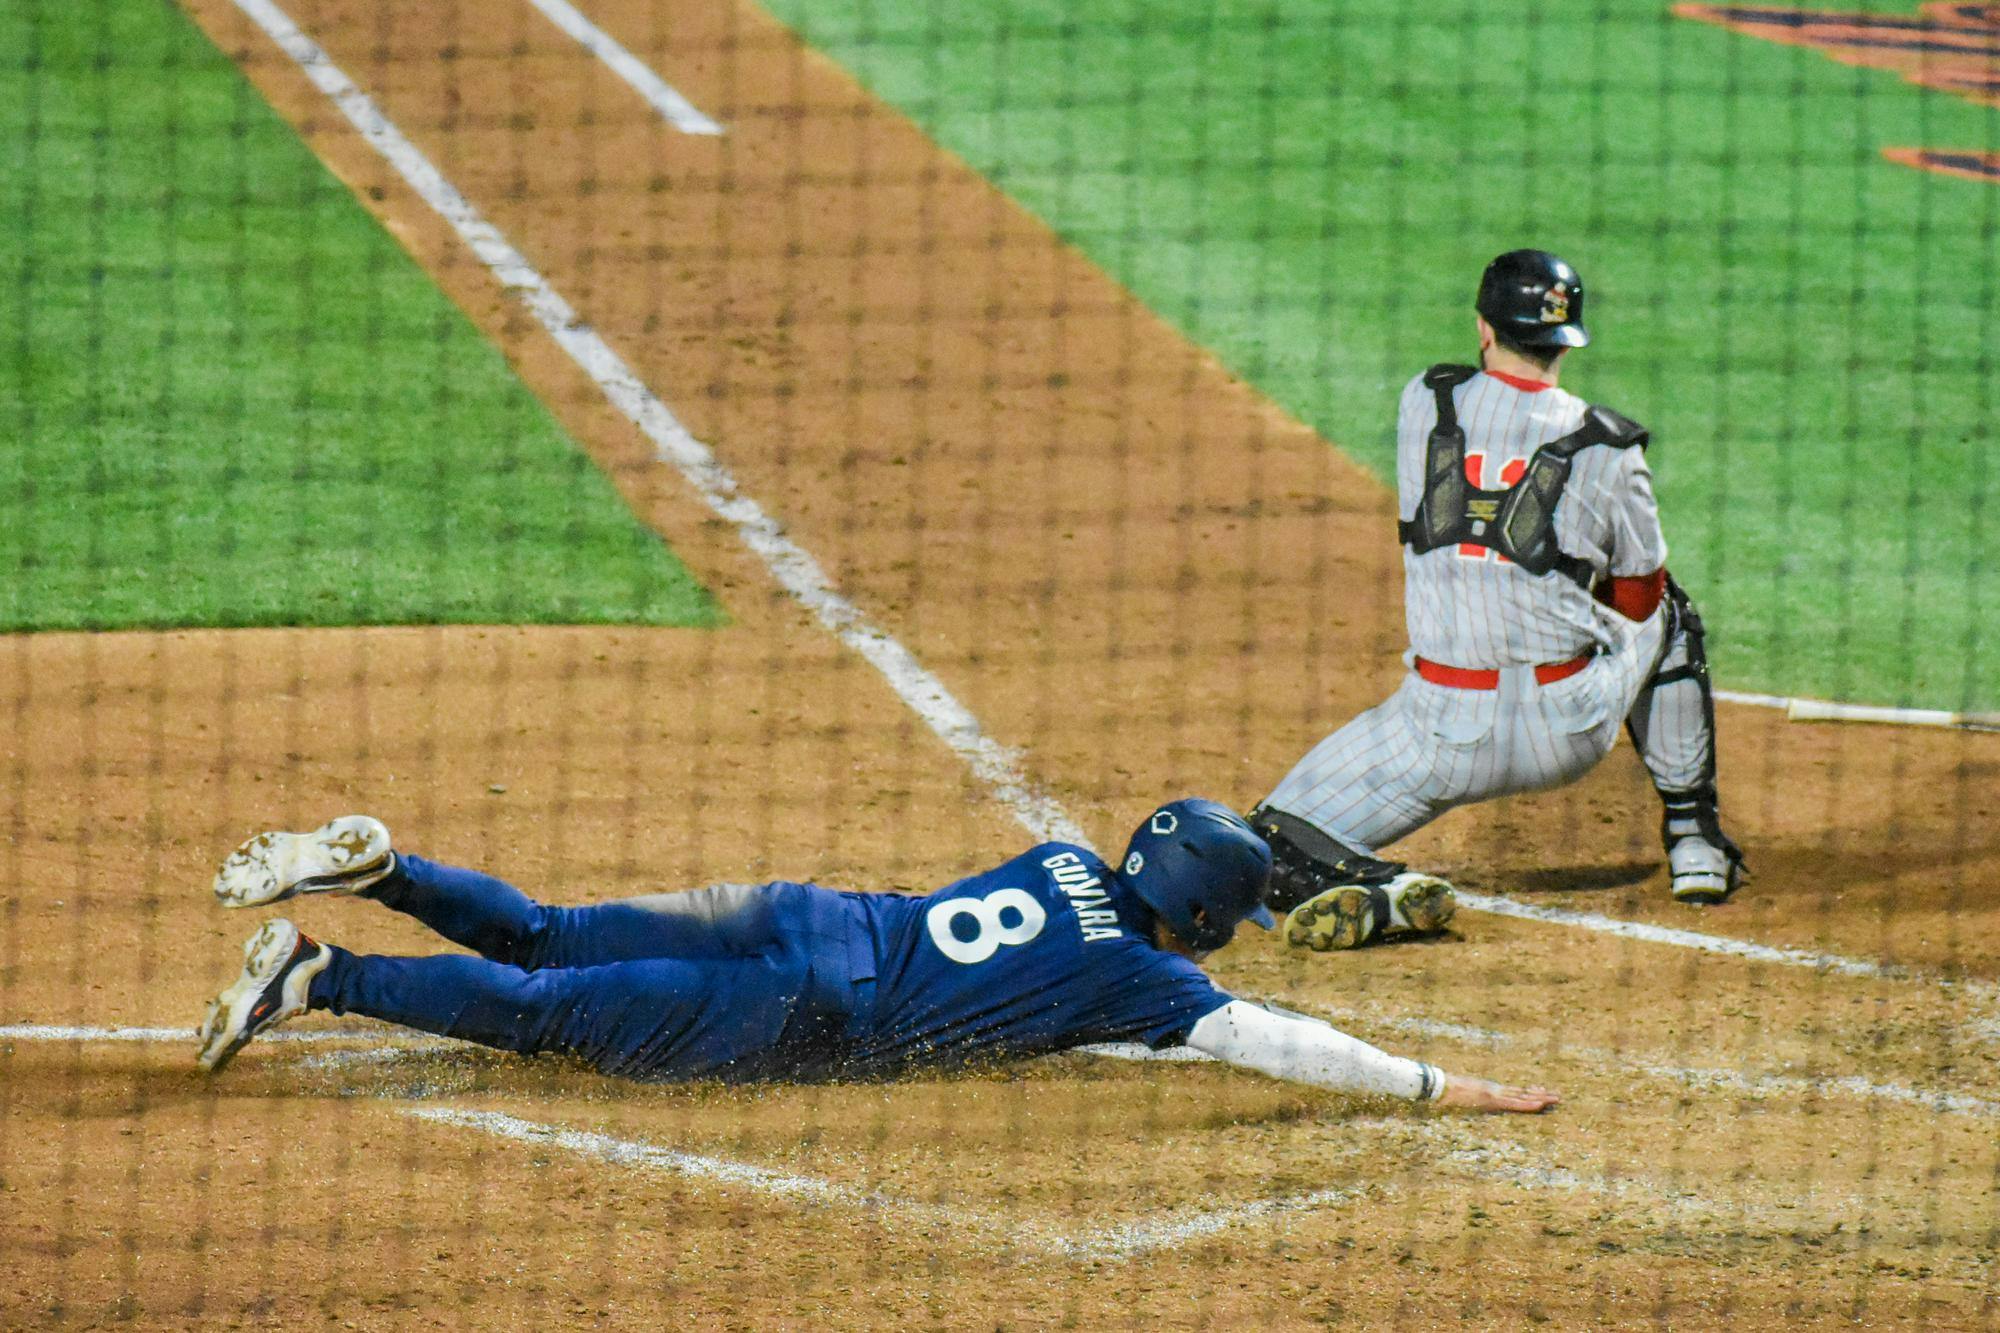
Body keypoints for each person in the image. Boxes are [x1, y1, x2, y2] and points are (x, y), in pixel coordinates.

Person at [195, 804, 1558, 1113]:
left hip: (802, 910)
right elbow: (1286, 1044)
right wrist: (1448, 1088)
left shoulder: (1067, 862)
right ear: (1202, 919)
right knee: (551, 1013)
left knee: (547, 929)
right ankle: (319, 972)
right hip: (805, 1004)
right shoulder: (1156, 987)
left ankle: (386, 869)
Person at [1253, 249, 1745, 952]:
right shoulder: (1612, 447)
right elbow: (1639, 597)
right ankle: (1696, 841)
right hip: (1567, 729)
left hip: (1438, 732)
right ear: (1567, 338)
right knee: (1673, 615)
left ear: (1484, 328)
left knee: (1267, 843)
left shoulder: (1425, 398)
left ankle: (1381, 891)